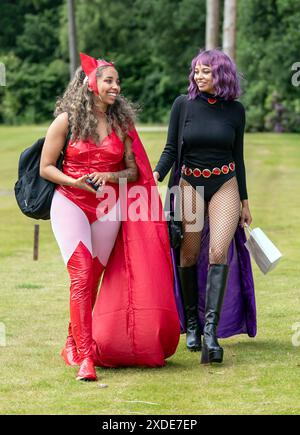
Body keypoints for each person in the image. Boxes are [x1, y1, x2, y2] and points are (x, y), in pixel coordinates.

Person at [40, 53, 180, 381]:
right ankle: (86, 358)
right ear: (91, 84)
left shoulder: (121, 123)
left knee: (93, 280)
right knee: (81, 275)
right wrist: (74, 181)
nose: (116, 86)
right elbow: (45, 168)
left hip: (108, 208)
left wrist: (110, 177)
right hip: (71, 203)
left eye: (117, 81)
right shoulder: (66, 121)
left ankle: (71, 341)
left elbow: (133, 171)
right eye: (109, 80)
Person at [153, 49, 256, 364]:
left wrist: (244, 202)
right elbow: (172, 148)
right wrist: (155, 175)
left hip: (225, 183)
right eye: (196, 71)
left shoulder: (235, 111)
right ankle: (193, 325)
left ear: (221, 74)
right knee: (189, 252)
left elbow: (238, 157)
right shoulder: (183, 105)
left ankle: (211, 333)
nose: (199, 76)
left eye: (206, 71)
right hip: (189, 185)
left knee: (218, 252)